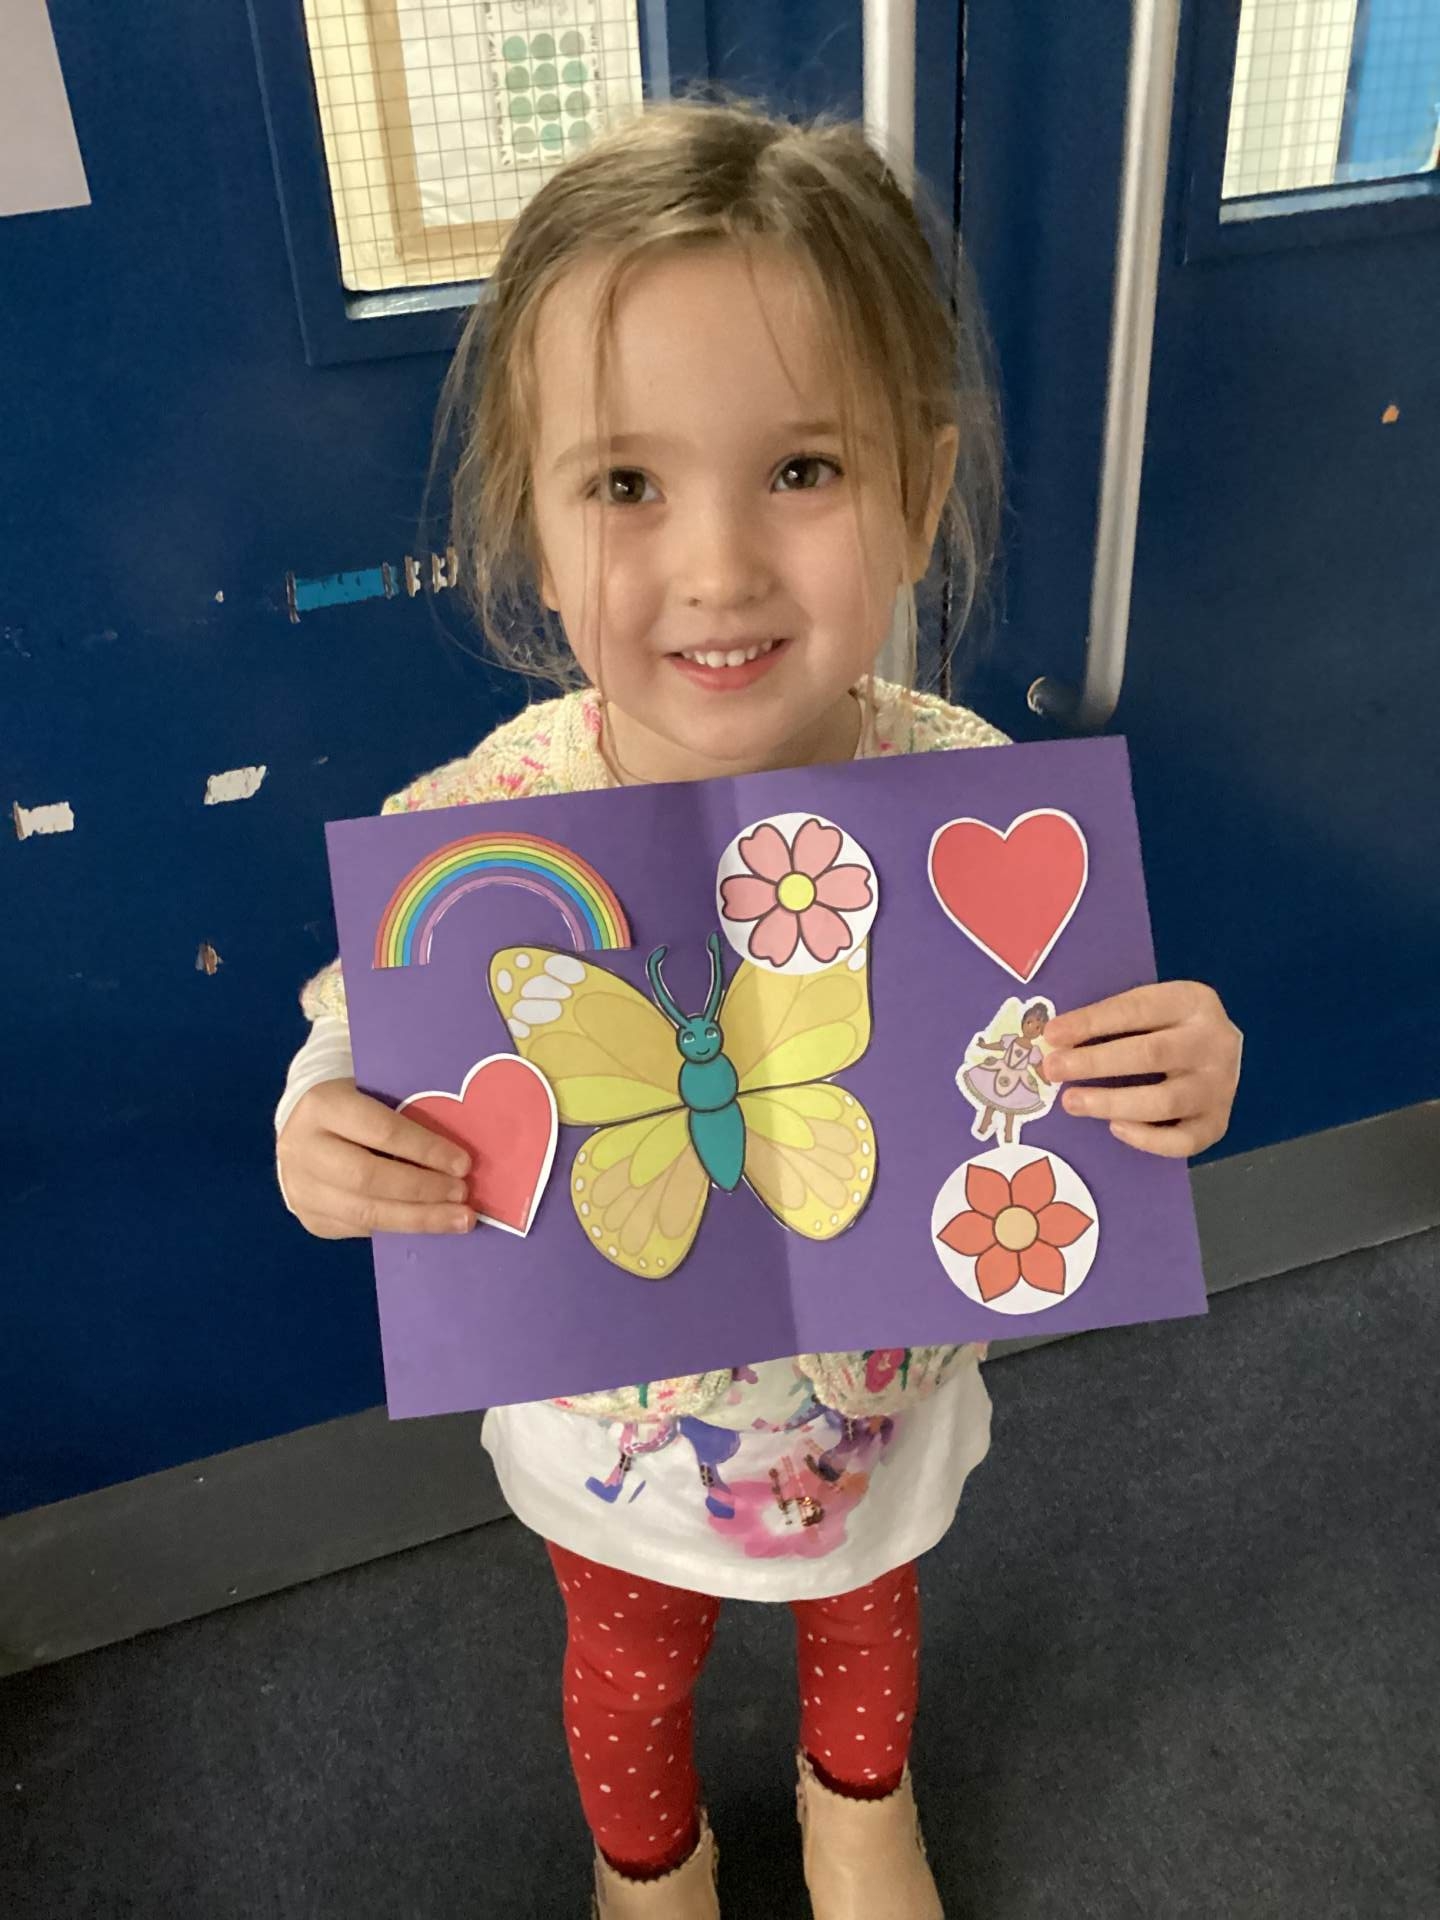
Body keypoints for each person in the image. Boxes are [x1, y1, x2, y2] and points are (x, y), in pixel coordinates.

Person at [274, 100, 1242, 1919]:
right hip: (610, 1438)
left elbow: (1059, 1050)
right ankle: (652, 1866)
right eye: (625, 486)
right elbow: (362, 1039)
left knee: (869, 1623)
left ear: (919, 497)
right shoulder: (485, 828)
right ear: (534, 527)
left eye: (801, 468)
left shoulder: (972, 799)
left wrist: (1171, 1074)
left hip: (878, 1411)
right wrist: (321, 1129)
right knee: (628, 1673)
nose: (717, 568)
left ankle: (857, 1806)